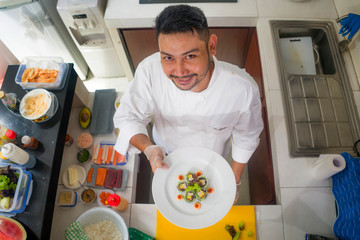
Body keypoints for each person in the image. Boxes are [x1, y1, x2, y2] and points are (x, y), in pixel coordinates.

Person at [113, 4, 263, 186]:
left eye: (190, 56)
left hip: (213, 156)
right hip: (167, 153)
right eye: (168, 58)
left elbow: (247, 136)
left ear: (211, 46)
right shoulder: (149, 70)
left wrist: (235, 179)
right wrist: (150, 149)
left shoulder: (242, 89)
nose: (180, 71)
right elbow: (128, 117)